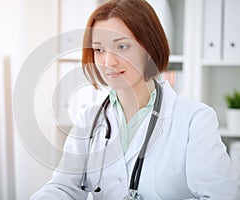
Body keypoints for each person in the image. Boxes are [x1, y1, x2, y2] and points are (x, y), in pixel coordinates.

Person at [31, 0, 240, 199]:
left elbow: (220, 196)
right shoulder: (88, 119)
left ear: (148, 49)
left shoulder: (195, 119)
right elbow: (62, 188)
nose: (107, 61)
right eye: (99, 49)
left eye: (122, 46)